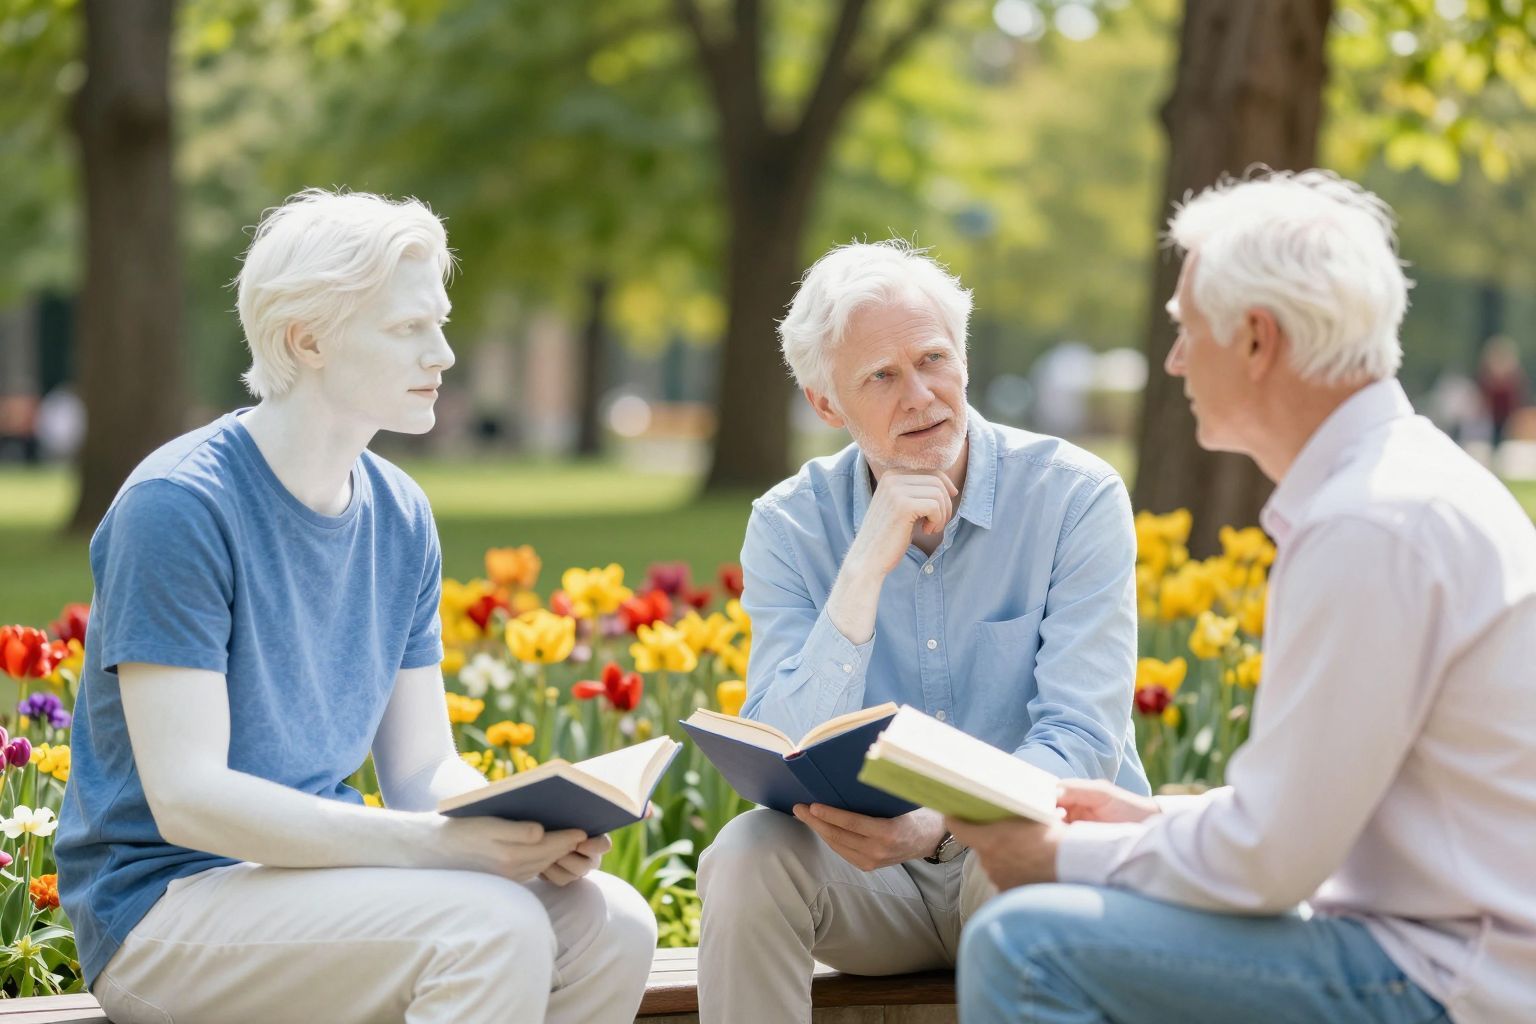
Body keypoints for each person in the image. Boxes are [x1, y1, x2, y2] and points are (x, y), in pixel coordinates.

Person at [55, 189, 656, 1024]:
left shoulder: (401, 513)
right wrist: (441, 850)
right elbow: (189, 798)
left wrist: (522, 825)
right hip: (166, 907)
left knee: (612, 924)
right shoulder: (178, 507)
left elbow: (420, 770)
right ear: (309, 340)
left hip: (316, 883)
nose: (444, 355)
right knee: (488, 928)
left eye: (439, 324)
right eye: (410, 329)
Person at [949, 170, 1536, 1024]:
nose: (1176, 359)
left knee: (1026, 943)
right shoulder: (1408, 486)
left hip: (1448, 982)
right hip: (1458, 955)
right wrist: (1143, 818)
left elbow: (1270, 863)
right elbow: (1311, 805)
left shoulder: (1368, 524)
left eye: (1188, 331)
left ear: (1258, 340)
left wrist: (1057, 856)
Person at [696, 240, 1148, 1024]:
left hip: (1019, 854)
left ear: (964, 358)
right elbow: (779, 740)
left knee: (1019, 864)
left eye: (934, 358)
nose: (922, 396)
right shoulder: (787, 525)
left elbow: (1079, 738)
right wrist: (865, 567)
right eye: (882, 376)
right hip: (872, 882)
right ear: (827, 405)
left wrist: (940, 821)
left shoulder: (1075, 497)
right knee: (744, 857)